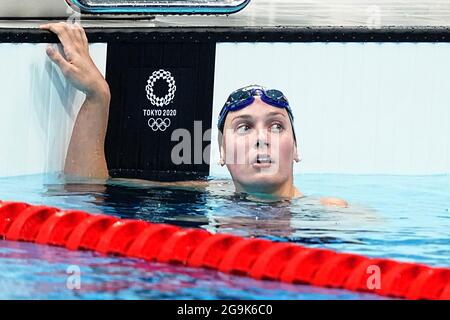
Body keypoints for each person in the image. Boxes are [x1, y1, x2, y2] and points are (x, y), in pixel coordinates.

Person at [40, 22, 347, 207]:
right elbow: (86, 191)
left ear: (296, 149)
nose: (261, 139)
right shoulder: (208, 196)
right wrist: (97, 96)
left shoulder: (331, 213)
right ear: (222, 153)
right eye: (244, 127)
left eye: (276, 126)